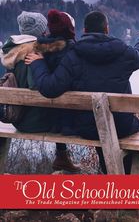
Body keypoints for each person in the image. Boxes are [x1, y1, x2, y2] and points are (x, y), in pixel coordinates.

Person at [25, 11, 139, 173]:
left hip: (86, 127)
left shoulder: (73, 55)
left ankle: (112, 178)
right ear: (107, 29)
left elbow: (50, 88)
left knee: (100, 130)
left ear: (84, 31)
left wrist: (38, 63)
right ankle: (123, 184)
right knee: (131, 132)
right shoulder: (124, 52)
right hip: (122, 126)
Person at [0, 10, 79, 172]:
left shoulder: (12, 50)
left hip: (18, 117)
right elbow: (37, 87)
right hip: (35, 121)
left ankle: (63, 158)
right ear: (41, 31)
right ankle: (62, 157)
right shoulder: (33, 53)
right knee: (60, 108)